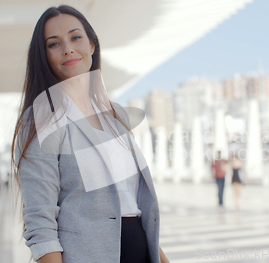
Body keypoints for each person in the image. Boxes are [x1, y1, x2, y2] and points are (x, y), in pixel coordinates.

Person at [11, 5, 169, 263]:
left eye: (75, 37)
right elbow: (41, 224)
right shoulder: (42, 118)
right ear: (44, 55)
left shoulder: (114, 115)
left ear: (92, 45)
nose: (68, 49)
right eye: (54, 44)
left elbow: (135, 205)